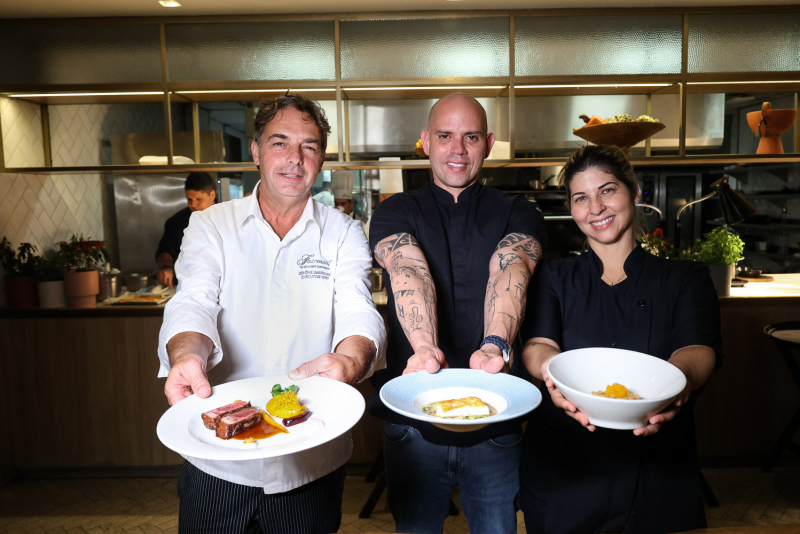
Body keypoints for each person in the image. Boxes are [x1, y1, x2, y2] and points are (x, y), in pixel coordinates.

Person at [157, 94, 386, 534]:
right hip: (219, 461)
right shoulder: (211, 225)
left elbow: (358, 308)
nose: (295, 159)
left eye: (310, 146)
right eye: (280, 143)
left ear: (321, 158)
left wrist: (350, 360)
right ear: (257, 150)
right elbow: (194, 302)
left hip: (310, 458)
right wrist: (187, 355)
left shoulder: (343, 232)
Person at [519, 144, 722, 534]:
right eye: (581, 198)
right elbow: (538, 345)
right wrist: (551, 375)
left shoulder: (685, 278)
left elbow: (697, 350)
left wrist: (672, 385)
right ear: (571, 208)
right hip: (566, 469)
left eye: (607, 190)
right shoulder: (552, 276)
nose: (595, 208)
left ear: (635, 193)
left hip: (656, 470)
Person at [368, 92, 546, 534]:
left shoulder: (519, 212)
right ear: (426, 141)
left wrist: (495, 344)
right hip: (414, 417)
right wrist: (425, 347)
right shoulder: (394, 211)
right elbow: (407, 268)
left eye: (470, 137)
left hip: (496, 416)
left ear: (487, 143)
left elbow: (513, 268)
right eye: (445, 136)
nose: (458, 149)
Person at [156, 172, 217, 288]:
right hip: (187, 287)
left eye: (199, 199)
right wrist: (166, 268)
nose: (193, 204)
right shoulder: (176, 222)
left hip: (222, 287)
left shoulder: (228, 218)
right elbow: (165, 251)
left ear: (212, 195)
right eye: (189, 199)